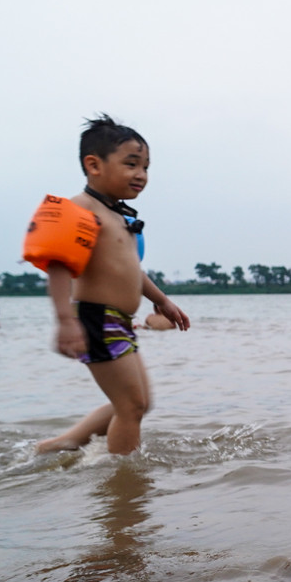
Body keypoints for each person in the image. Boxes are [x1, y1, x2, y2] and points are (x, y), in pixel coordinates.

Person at [35, 115, 189, 455]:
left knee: (139, 403)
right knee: (130, 407)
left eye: (146, 167)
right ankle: (123, 483)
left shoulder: (120, 216)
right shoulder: (80, 210)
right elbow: (58, 267)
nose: (141, 175)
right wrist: (64, 320)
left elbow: (133, 271)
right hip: (95, 319)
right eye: (131, 164)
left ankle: (60, 445)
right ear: (94, 164)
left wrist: (162, 301)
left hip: (116, 322)